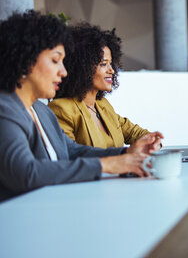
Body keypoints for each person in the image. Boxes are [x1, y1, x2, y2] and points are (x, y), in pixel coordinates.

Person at [0, 11, 159, 202]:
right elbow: (25, 173)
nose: (63, 71)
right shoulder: (5, 110)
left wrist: (125, 154)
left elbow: (73, 151)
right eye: (55, 60)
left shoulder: (40, 111)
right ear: (25, 60)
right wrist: (105, 166)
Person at [48, 24, 163, 148]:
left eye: (111, 63)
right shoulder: (61, 109)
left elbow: (135, 133)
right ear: (83, 68)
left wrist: (153, 142)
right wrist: (124, 156)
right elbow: (70, 157)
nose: (112, 70)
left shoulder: (103, 105)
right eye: (103, 64)